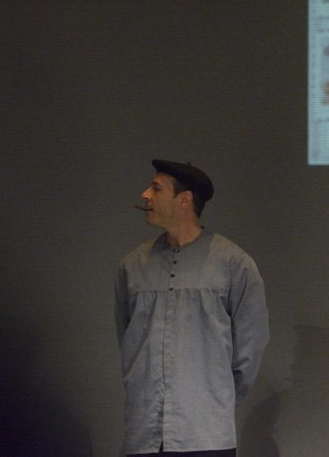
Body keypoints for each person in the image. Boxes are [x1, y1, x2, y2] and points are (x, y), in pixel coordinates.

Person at [115, 159, 269, 457]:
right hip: (144, 433)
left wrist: (213, 400)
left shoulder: (233, 264)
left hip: (206, 435)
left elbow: (250, 347)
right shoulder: (132, 266)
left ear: (184, 200)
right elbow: (126, 337)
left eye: (156, 189)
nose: (145, 195)